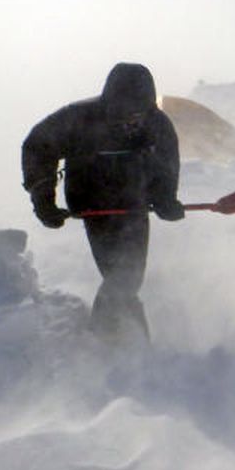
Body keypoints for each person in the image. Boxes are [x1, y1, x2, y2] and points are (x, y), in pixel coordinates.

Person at [21, 63, 184, 337]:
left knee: (128, 278)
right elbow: (37, 147)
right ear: (111, 103)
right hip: (93, 205)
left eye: (140, 113)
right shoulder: (79, 118)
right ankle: (115, 343)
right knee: (122, 277)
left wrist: (165, 198)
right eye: (126, 112)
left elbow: (166, 163)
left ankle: (113, 339)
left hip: (134, 205)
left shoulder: (157, 123)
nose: (133, 120)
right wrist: (43, 200)